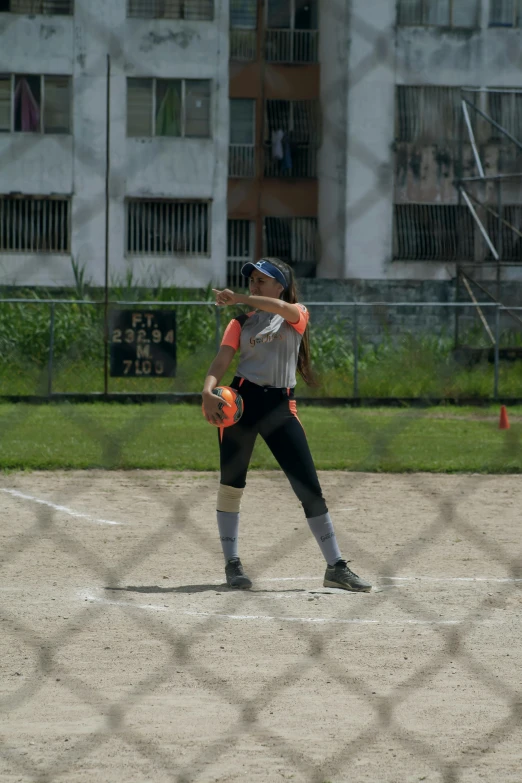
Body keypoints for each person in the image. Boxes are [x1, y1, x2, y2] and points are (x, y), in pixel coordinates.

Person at [201, 257, 371, 593]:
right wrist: (207, 390)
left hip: (280, 407)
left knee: (309, 487)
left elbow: (280, 307)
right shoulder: (240, 323)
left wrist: (241, 297)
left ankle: (335, 566)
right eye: (251, 280)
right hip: (242, 404)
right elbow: (222, 359)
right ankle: (233, 565)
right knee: (232, 484)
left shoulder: (296, 314)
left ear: (280, 285)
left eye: (261, 280)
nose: (253, 285)